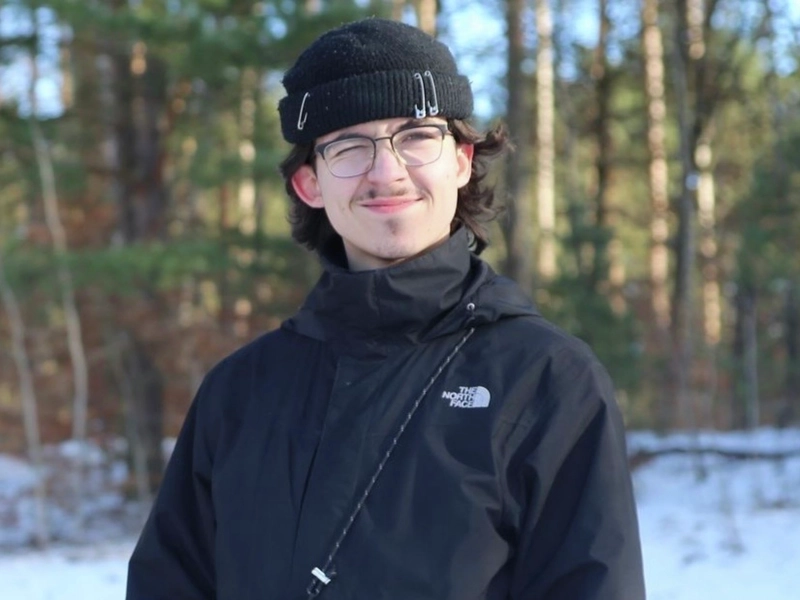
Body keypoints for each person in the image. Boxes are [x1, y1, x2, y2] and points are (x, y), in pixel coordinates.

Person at [126, 17, 645, 600]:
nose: (387, 172)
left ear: (461, 160)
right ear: (309, 184)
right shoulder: (240, 393)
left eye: (416, 136)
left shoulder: (546, 381)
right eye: (350, 146)